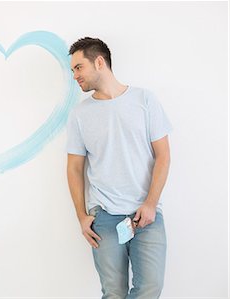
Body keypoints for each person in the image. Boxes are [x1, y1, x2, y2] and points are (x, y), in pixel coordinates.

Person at [66, 37, 172, 298]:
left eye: (79, 68)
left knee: (150, 288)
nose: (75, 76)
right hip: (104, 217)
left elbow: (164, 156)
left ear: (99, 62)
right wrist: (82, 216)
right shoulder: (80, 115)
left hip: (147, 215)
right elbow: (74, 168)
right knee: (113, 293)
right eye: (73, 71)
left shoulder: (145, 100)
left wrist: (150, 203)